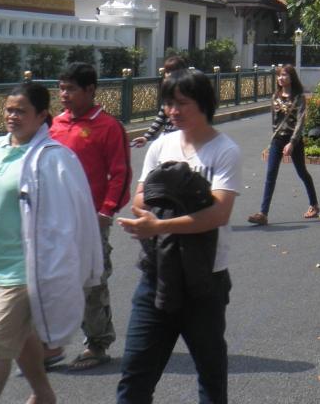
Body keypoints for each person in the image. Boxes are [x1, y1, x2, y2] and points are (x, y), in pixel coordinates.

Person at [0, 82, 103, 404]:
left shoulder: (52, 159)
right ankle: (44, 394)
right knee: (19, 338)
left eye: (21, 111)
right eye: (9, 109)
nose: (13, 116)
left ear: (41, 115)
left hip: (24, 271)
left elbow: (70, 217)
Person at [116, 68, 242, 404]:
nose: (173, 111)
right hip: (157, 274)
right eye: (169, 103)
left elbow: (218, 214)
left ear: (203, 103)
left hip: (205, 279)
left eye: (182, 103)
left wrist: (160, 224)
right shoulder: (161, 146)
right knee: (135, 374)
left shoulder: (224, 150)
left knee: (210, 376)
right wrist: (166, 207)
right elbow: (139, 199)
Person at [51, 62, 132, 371]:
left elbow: (120, 174)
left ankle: (97, 342)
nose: (64, 95)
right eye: (61, 88)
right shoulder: (55, 124)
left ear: (90, 90)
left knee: (92, 282)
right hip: (55, 220)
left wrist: (106, 211)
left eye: (71, 89)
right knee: (51, 280)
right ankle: (49, 343)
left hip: (90, 221)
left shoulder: (108, 127)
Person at [247, 63, 319, 225]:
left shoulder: (299, 98)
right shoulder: (275, 97)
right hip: (278, 140)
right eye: (279, 75)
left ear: (291, 77)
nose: (281, 78)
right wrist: (271, 143)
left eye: (284, 75)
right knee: (270, 174)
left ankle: (314, 204)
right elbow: (275, 123)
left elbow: (300, 122)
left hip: (294, 141)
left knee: (302, 172)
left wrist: (292, 142)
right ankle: (263, 213)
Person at [130, 55, 189, 148]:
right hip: (167, 137)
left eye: (173, 71)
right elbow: (160, 118)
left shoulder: (190, 93)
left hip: (185, 139)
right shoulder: (168, 93)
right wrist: (146, 137)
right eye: (167, 72)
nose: (169, 75)